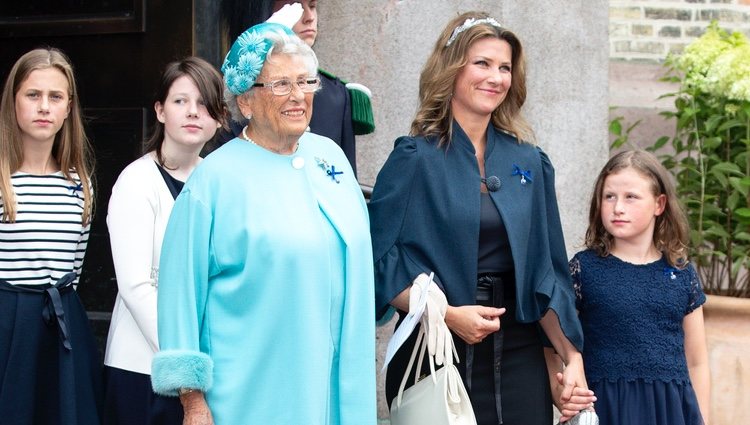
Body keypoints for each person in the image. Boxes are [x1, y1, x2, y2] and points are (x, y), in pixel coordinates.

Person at [369, 11, 595, 425]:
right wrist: (447, 315)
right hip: (435, 349)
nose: (496, 77)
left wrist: (571, 356)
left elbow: (547, 273)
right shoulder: (413, 159)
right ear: (453, 68)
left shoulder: (530, 161)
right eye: (483, 63)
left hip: (519, 351)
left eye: (505, 67)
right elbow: (377, 261)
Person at [150, 22, 376, 424]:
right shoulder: (214, 180)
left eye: (305, 82)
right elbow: (180, 290)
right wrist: (192, 397)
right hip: (251, 391)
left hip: (337, 385)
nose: (297, 96)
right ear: (247, 101)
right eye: (280, 85)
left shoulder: (330, 156)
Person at [103, 57, 225, 425]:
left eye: (204, 104)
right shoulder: (136, 181)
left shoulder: (219, 182)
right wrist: (185, 368)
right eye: (180, 101)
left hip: (210, 367)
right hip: (144, 368)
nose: (193, 112)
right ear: (159, 110)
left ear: (219, 119)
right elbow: (136, 287)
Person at [570, 150, 710, 425]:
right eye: (609, 196)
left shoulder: (681, 274)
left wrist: (703, 420)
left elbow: (697, 360)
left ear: (659, 204)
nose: (617, 207)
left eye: (631, 197)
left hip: (672, 411)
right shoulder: (583, 268)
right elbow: (553, 347)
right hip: (608, 408)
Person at [0, 48, 100, 424]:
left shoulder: (79, 183)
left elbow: (74, 265)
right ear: (14, 101)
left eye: (55, 97)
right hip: (9, 319)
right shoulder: (3, 180)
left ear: (68, 106)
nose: (44, 107)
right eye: (33, 95)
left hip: (61, 321)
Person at [217, 0, 375, 175]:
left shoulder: (337, 95)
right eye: (296, 6)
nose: (309, 17)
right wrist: (267, 35)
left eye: (312, 6)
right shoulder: (238, 86)